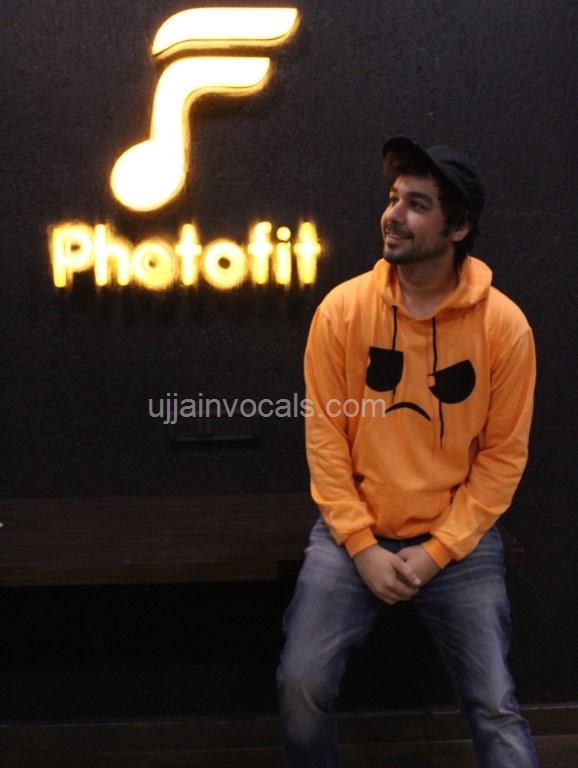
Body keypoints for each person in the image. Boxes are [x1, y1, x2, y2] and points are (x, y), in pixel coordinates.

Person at [276, 136, 539, 767]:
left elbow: (502, 459)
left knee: (495, 705)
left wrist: (437, 550)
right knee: (299, 687)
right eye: (394, 198)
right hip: (353, 534)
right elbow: (325, 439)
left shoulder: (504, 327)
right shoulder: (342, 311)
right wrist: (362, 546)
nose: (394, 215)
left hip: (456, 540)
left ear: (458, 227)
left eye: (417, 205)